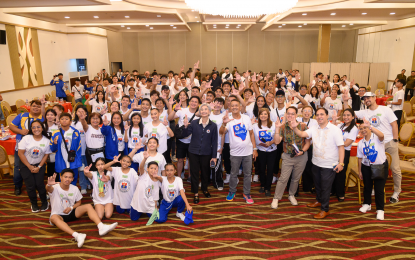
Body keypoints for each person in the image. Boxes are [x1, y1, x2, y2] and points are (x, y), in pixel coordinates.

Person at [347, 92, 401, 203]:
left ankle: (397, 192)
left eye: (369, 97)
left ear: (374, 98)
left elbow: (394, 124)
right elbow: (349, 113)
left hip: (388, 142)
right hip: (374, 145)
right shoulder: (364, 112)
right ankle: (374, 188)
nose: (366, 100)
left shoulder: (385, 109)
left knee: (394, 168)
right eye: (364, 99)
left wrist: (395, 140)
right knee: (372, 167)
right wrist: (344, 101)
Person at [291, 108, 344, 219]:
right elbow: (302, 134)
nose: (319, 116)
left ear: (326, 116)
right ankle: (319, 201)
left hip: (329, 165)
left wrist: (341, 163)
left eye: (322, 114)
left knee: (325, 187)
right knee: (318, 185)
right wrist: (295, 127)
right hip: (316, 162)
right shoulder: (314, 128)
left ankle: (325, 209)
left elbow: (341, 147)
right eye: (317, 115)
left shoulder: (335, 129)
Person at [46, 170, 118, 248]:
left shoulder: (75, 188)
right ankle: (77, 235)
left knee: (88, 206)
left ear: (73, 179)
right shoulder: (54, 187)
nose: (67, 179)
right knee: (53, 218)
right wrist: (48, 185)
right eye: (65, 177)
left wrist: (71, 208)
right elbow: (49, 189)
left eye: (70, 177)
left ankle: (101, 226)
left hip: (71, 212)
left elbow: (79, 202)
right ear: (61, 177)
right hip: (59, 215)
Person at [271, 106, 310, 209]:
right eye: (288, 113)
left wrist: (302, 151)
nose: (290, 115)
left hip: (301, 156)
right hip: (288, 156)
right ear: (286, 115)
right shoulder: (283, 127)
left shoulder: (303, 126)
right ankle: (276, 198)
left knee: (296, 178)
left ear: (296, 115)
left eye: (293, 114)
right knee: (283, 178)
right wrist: (277, 128)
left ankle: (291, 195)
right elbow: (276, 141)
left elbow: (307, 142)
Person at [220, 99, 258, 204]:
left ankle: (246, 193)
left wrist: (254, 149)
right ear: (230, 108)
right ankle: (232, 191)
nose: (235, 107)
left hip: (248, 152)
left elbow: (251, 134)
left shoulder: (246, 118)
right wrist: (223, 124)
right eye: (232, 106)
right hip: (235, 153)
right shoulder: (229, 119)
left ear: (240, 107)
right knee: (233, 174)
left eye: (237, 105)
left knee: (247, 174)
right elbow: (221, 132)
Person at [182, 103, 218, 204]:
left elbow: (214, 142)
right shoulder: (193, 123)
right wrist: (185, 127)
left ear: (209, 112)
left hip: (206, 153)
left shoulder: (213, 126)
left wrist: (214, 157)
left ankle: (205, 188)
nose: (204, 111)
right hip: (193, 151)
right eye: (202, 109)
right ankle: (196, 192)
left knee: (205, 172)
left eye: (206, 109)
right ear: (200, 112)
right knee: (194, 172)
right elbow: (185, 135)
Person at [9, 100, 45, 195]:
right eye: (34, 106)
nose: (36, 108)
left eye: (38, 106)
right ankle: (17, 186)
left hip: (36, 148)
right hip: (21, 147)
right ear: (30, 106)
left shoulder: (43, 118)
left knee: (36, 166)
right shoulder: (22, 115)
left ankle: (36, 185)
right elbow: (11, 126)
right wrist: (20, 131)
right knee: (18, 167)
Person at [357, 118, 388, 220]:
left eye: (365, 128)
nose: (363, 130)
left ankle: (380, 210)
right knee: (367, 187)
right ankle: (367, 204)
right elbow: (360, 158)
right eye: (361, 129)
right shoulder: (361, 143)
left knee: (379, 189)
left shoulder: (377, 139)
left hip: (379, 166)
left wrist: (370, 126)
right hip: (366, 166)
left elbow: (382, 135)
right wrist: (360, 170)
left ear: (370, 129)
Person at [18, 120, 51, 212]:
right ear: (31, 129)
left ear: (42, 128)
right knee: (30, 186)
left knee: (40, 185)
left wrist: (39, 167)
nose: (36, 129)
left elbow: (46, 155)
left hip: (39, 165)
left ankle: (44, 202)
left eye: (38, 127)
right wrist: (30, 166)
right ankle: (34, 203)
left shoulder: (47, 141)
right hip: (26, 165)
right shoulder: (26, 139)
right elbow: (20, 154)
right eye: (34, 127)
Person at [168, 96, 200, 179]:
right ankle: (179, 177)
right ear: (189, 102)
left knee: (191, 160)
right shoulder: (182, 111)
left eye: (196, 102)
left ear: (198, 104)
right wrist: (175, 109)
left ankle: (190, 176)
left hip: (193, 141)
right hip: (181, 139)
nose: (193, 103)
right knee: (180, 159)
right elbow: (170, 118)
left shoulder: (199, 114)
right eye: (192, 101)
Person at [331, 108, 359, 201]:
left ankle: (340, 193)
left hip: (344, 152)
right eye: (344, 115)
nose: (346, 117)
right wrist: (334, 120)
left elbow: (347, 143)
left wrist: (334, 142)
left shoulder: (354, 128)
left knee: (341, 173)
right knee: (333, 171)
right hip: (335, 151)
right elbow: (331, 131)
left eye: (348, 115)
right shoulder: (341, 125)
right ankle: (333, 190)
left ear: (352, 117)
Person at [50, 113, 82, 185]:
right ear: (59, 121)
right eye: (62, 119)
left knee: (73, 180)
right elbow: (52, 149)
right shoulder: (55, 133)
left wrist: (78, 160)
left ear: (70, 121)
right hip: (61, 161)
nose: (64, 120)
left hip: (73, 161)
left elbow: (79, 148)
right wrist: (54, 143)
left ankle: (72, 195)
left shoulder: (75, 132)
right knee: (62, 181)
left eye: (66, 119)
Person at [253, 108, 278, 197]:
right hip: (261, 150)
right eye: (261, 114)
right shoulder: (255, 126)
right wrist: (257, 146)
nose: (263, 116)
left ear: (268, 115)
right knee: (262, 169)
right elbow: (252, 138)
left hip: (272, 150)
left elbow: (278, 138)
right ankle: (263, 185)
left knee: (270, 170)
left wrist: (271, 142)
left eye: (265, 114)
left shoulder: (274, 125)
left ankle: (268, 188)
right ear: (259, 116)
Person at [130, 152, 160, 221]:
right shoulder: (144, 175)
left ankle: (147, 212)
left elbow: (155, 197)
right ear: (147, 169)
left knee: (157, 218)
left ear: (157, 169)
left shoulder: (157, 181)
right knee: (133, 218)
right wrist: (145, 158)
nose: (153, 170)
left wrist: (155, 208)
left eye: (155, 168)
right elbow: (141, 167)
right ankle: (140, 211)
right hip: (138, 203)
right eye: (151, 168)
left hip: (149, 205)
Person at [297, 106, 318, 193]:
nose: (307, 112)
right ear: (301, 112)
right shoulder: (297, 119)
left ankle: (307, 187)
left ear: (312, 113)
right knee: (296, 168)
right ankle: (294, 189)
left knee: (308, 168)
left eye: (309, 111)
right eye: (305, 110)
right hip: (297, 146)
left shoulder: (315, 122)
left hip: (310, 147)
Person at [72, 106, 90, 194]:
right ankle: (83, 186)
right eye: (79, 111)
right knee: (81, 169)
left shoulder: (89, 123)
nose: (81, 113)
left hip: (88, 150)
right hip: (78, 151)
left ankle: (88, 182)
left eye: (83, 111)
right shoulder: (73, 123)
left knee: (88, 168)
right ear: (76, 113)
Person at [44, 109, 59, 180]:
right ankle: (50, 184)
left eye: (52, 115)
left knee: (56, 168)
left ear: (55, 116)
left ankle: (57, 184)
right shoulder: (42, 126)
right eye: (48, 114)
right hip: (46, 150)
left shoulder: (57, 126)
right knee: (49, 168)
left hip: (55, 150)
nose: (50, 116)